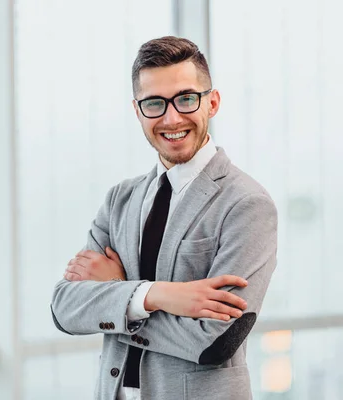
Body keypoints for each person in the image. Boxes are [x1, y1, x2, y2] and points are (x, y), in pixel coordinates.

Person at [50, 36, 277, 400]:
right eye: (155, 103)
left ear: (212, 102)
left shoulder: (246, 203)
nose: (172, 118)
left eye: (186, 98)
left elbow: (216, 341)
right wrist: (157, 295)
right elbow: (64, 309)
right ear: (138, 110)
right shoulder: (120, 199)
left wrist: (117, 298)